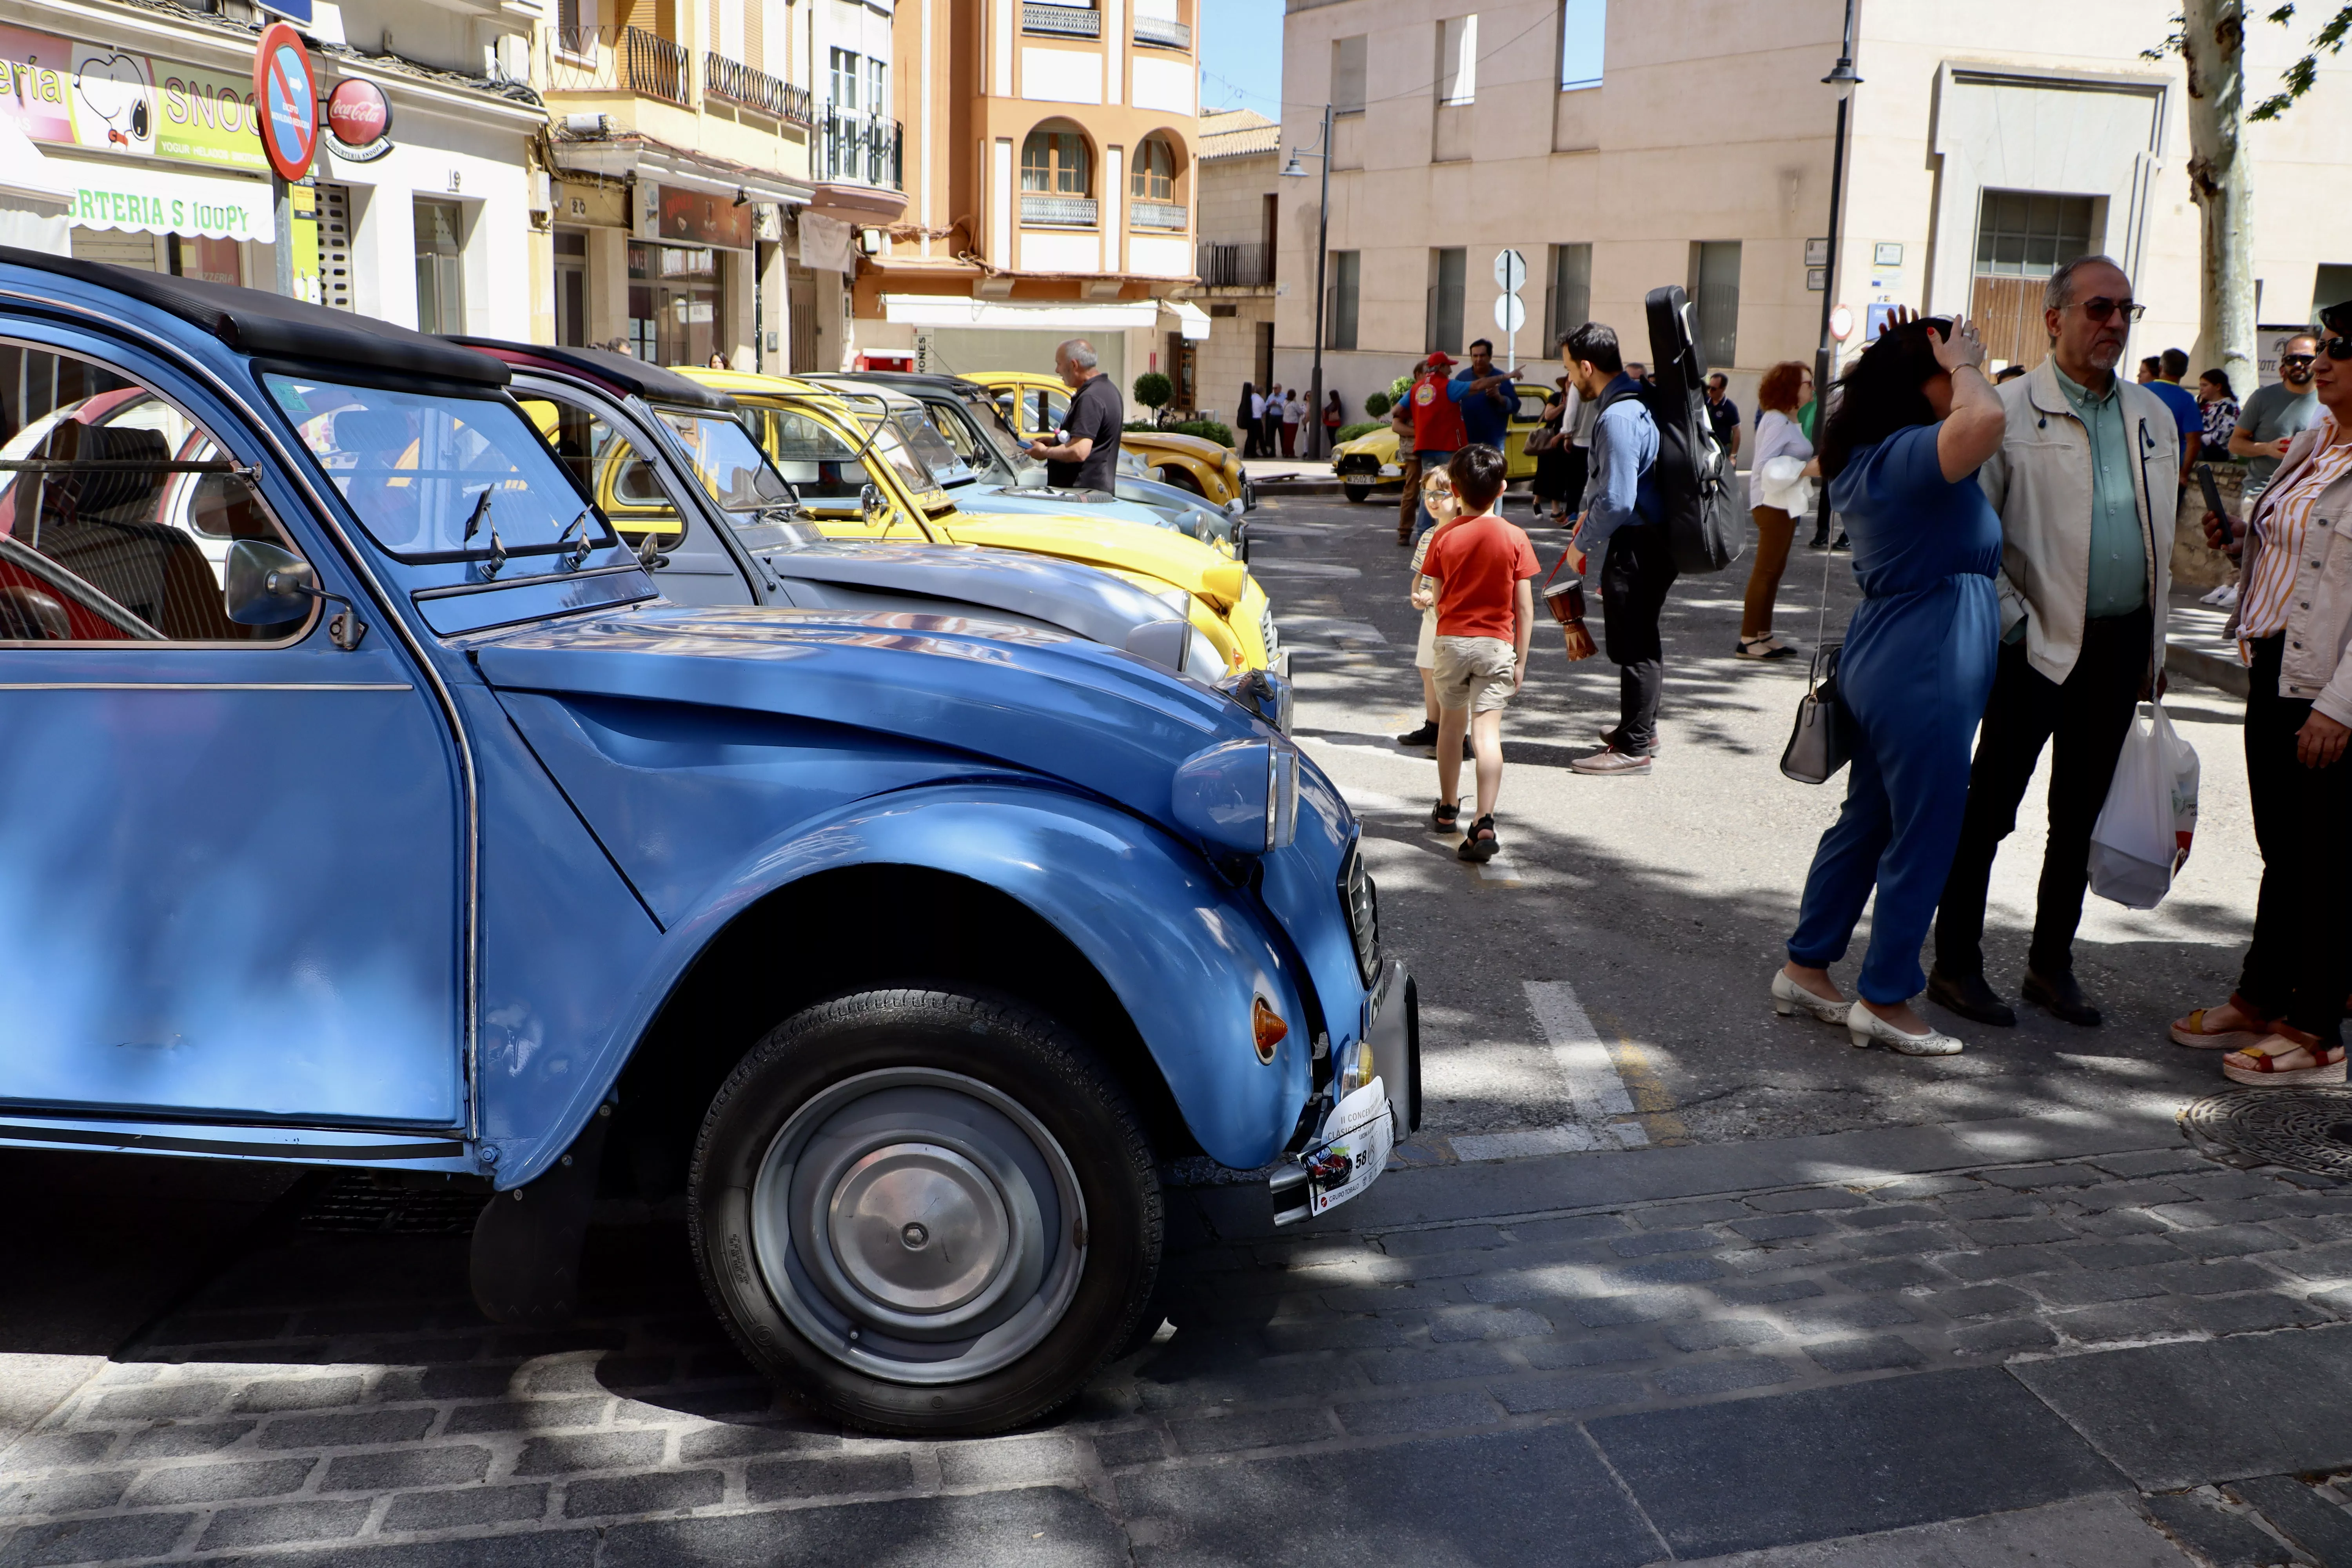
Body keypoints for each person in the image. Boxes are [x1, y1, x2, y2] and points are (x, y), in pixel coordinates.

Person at [1931, 255, 2181, 1029]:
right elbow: (1973, 538)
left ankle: (2050, 963)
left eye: (2124, 311)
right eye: (2098, 308)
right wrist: (2013, 623)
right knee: (1990, 811)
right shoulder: (2009, 411)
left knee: (2078, 816)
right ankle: (1956, 964)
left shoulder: (2152, 416)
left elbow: (2155, 537)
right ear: (2055, 318)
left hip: (2118, 648)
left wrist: (2154, 645)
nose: (2113, 323)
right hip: (2032, 647)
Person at [1774, 310, 2006, 1058]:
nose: (1970, 376)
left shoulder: (1872, 454)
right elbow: (1989, 418)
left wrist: (1942, 360)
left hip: (1888, 648)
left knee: (1870, 818)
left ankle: (1807, 965)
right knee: (1927, 827)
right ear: (1923, 384)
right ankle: (1885, 997)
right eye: (1951, 369)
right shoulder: (1911, 453)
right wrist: (1965, 361)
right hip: (1929, 654)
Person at [2173, 304, 2352, 1085]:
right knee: (2283, 847)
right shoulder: (2313, 442)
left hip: (2327, 683)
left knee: (2325, 857)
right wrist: (2244, 543)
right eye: (2324, 347)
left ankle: (2316, 1029)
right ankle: (2263, 994)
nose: (2324, 359)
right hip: (2271, 660)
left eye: (2343, 348)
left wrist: (2340, 705)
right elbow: (2303, 552)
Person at [1561, 321, 1671, 775]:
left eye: (1570, 370)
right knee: (1638, 636)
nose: (1570, 379)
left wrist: (1580, 544)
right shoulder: (1635, 398)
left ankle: (1634, 748)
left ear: (1588, 367)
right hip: (1652, 536)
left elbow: (1619, 499)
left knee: (1636, 642)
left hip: (1642, 541)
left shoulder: (1617, 417)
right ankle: (1640, 727)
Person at [1420, 445, 1539, 862]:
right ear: (1503, 488)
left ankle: (1448, 808)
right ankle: (1484, 820)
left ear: (1454, 489)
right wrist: (1520, 660)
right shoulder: (1515, 537)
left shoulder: (1443, 536)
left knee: (1451, 729)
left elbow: (1437, 599)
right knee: (1487, 735)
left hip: (1452, 641)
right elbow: (1524, 608)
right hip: (1496, 645)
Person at [1738, 360, 1818, 659]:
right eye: (1806, 383)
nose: (1812, 388)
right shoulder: (1776, 420)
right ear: (1791, 389)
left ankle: (1763, 633)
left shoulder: (1786, 420)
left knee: (1774, 571)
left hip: (1783, 503)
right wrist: (1806, 468)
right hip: (1772, 504)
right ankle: (1748, 639)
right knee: (1766, 571)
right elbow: (1765, 467)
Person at [1397, 467, 1474, 758]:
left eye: (1439, 494)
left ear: (1457, 498)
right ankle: (1434, 725)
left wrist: (1435, 596)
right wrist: (1417, 593)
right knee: (1427, 669)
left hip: (1452, 618)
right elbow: (1419, 573)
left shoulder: (1461, 533)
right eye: (1427, 493)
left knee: (1451, 677)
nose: (1431, 500)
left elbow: (1460, 580)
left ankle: (1460, 739)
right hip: (1430, 615)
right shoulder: (1429, 534)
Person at [1024, 338, 1122, 492]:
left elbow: (1079, 451)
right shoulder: (1108, 389)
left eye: (1059, 364)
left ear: (1074, 365)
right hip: (1093, 493)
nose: (1057, 370)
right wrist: (1055, 442)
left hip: (1080, 495)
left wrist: (1044, 452)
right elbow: (1090, 441)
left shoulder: (1091, 397)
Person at [2233, 334, 2322, 503]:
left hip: (2305, 498)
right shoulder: (2262, 398)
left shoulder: (2329, 401)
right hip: (2260, 494)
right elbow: (2235, 444)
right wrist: (2267, 448)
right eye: (2290, 359)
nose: (2297, 364)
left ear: (2319, 360)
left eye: (2305, 359)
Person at [1405, 352, 1469, 543]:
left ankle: (1422, 535)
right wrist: (1504, 377)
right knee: (1449, 490)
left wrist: (1419, 427)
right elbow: (1476, 386)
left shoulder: (1417, 388)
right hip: (1448, 446)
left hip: (1426, 448)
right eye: (1449, 366)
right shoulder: (1449, 386)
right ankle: (1448, 532)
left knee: (1430, 490)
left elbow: (1396, 411)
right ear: (1441, 368)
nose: (1451, 370)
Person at [1448, 339, 1522, 461]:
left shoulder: (1501, 378)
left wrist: (1499, 398)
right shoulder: (1463, 377)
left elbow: (1515, 406)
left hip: (1493, 444)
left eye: (1482, 356)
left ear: (1490, 357)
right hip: (1467, 443)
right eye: (1475, 356)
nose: (1478, 360)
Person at [2145, 347, 2207, 490]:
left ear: (2161, 367)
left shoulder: (2140, 391)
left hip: (2138, 465)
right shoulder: (2187, 400)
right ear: (2185, 372)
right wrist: (2184, 474)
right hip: (2168, 470)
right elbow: (2193, 442)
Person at [1528, 385, 1577, 525]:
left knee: (1560, 476)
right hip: (1549, 441)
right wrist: (1564, 405)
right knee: (1544, 474)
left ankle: (1555, 510)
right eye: (1569, 382)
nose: (1571, 385)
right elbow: (1549, 416)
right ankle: (1538, 502)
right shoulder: (1557, 397)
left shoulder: (1579, 399)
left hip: (1566, 441)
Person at [1390, 390, 1421, 545]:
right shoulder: (1413, 396)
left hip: (1435, 449)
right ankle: (1405, 531)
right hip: (1416, 452)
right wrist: (1420, 434)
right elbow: (1396, 425)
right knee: (1412, 490)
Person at [2198, 368, 2241, 453]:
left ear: (2218, 387)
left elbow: (2225, 434)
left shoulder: (2229, 407)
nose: (2201, 389)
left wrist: (2198, 439)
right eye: (2201, 386)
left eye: (2205, 385)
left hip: (2218, 452)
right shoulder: (2202, 406)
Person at [1705, 372, 1742, 463]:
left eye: (1714, 389)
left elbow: (1737, 432)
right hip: (1706, 447)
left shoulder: (1730, 407)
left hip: (1722, 449)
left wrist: (1733, 456)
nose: (1710, 391)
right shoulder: (1705, 402)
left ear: (1723, 389)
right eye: (1709, 387)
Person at [1280, 385, 1303, 456]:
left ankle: (1285, 452)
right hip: (1293, 423)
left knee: (1286, 438)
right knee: (1292, 439)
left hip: (1285, 422)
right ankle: (1291, 453)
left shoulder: (1285, 402)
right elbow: (1301, 412)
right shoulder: (1294, 404)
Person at [1240, 381, 1260, 458]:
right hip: (1252, 420)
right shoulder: (1251, 398)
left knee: (1250, 437)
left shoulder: (1247, 398)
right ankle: (1251, 453)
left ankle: (1248, 452)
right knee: (1252, 438)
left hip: (1248, 419)